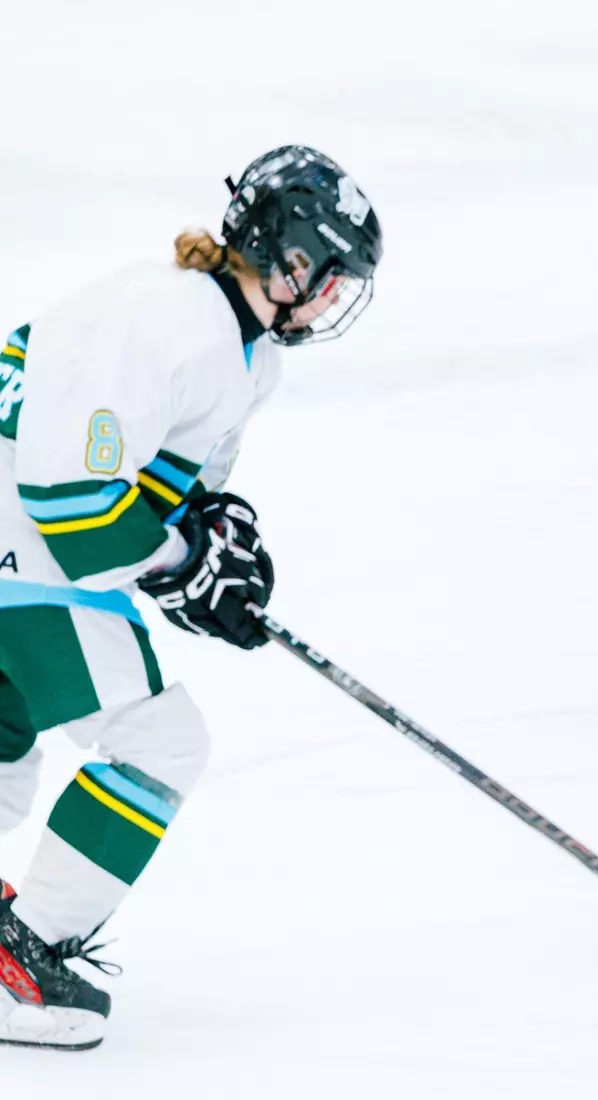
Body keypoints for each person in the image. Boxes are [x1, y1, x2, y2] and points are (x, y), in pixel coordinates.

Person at [0, 146, 383, 1049]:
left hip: (26, 535)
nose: (333, 300)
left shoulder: (242, 351)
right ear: (290, 259)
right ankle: (20, 962)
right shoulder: (172, 321)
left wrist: (211, 542)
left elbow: (170, 494)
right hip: (22, 532)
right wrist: (179, 563)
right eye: (330, 277)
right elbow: (71, 495)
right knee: (160, 740)